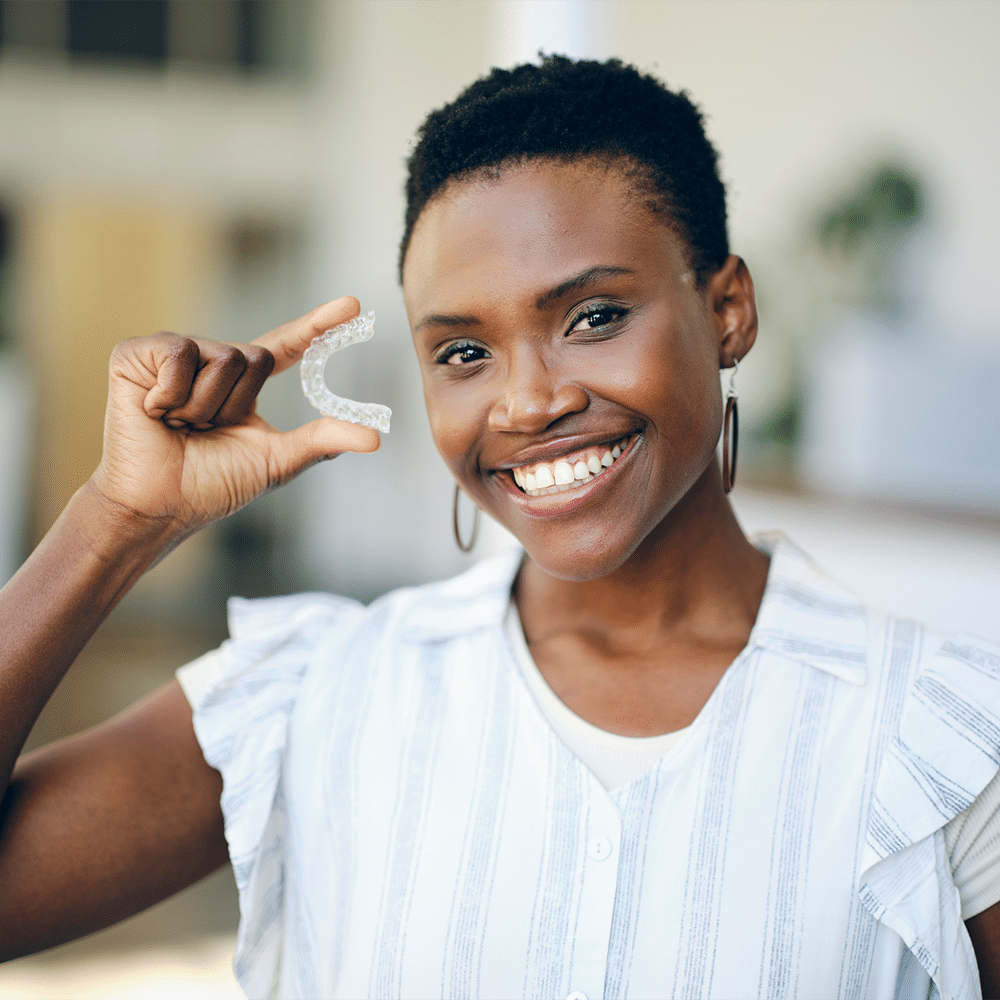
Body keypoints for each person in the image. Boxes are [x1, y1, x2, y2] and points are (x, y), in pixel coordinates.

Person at [1, 55, 998, 1000]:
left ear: (727, 309)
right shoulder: (316, 692)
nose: (526, 403)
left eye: (594, 317)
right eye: (465, 350)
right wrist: (116, 522)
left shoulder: (936, 736)